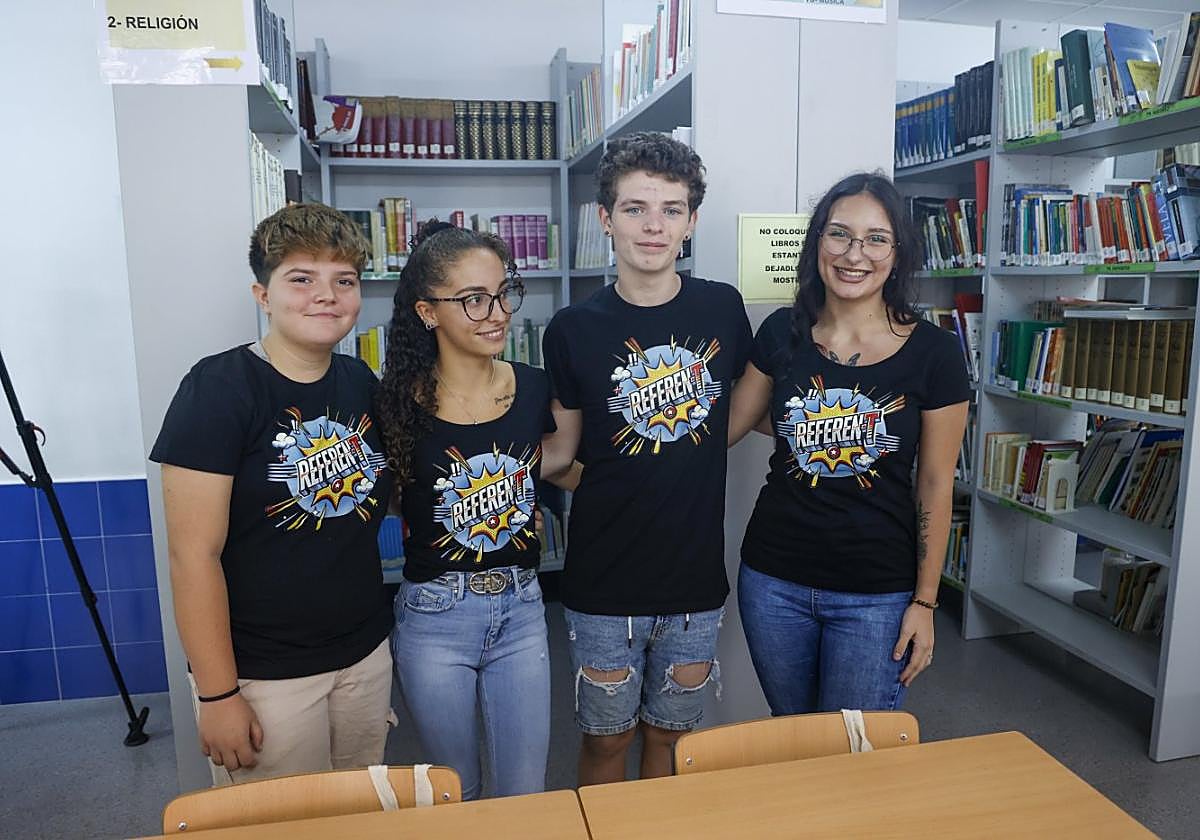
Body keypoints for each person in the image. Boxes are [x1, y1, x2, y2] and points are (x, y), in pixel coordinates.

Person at [150, 203, 394, 784]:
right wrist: (217, 695)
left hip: (363, 655)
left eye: (345, 281)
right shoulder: (218, 388)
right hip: (267, 674)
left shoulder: (360, 382)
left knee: (361, 817)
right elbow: (192, 556)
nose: (326, 296)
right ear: (263, 294)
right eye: (301, 279)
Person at [541, 132, 753, 784]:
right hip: (603, 583)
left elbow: (741, 409)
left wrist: (686, 457)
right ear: (606, 219)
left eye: (671, 209)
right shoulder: (573, 329)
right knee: (607, 743)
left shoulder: (722, 307)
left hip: (694, 582)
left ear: (690, 222)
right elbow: (563, 454)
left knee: (670, 740)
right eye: (635, 208)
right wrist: (620, 480)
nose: (653, 225)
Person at [728, 172, 970, 715]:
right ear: (817, 243)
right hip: (773, 582)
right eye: (838, 234)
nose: (854, 254)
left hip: (877, 594)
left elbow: (934, 484)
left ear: (898, 252)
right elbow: (731, 425)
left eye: (876, 238)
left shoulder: (935, 354)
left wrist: (925, 602)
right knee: (794, 736)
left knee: (854, 758)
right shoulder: (780, 334)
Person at [376, 222, 563, 800]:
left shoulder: (533, 388)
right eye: (473, 299)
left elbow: (557, 468)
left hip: (522, 606)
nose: (497, 313)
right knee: (459, 794)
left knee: (525, 792)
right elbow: (372, 504)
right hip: (434, 617)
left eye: (503, 292)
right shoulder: (393, 405)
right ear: (429, 312)